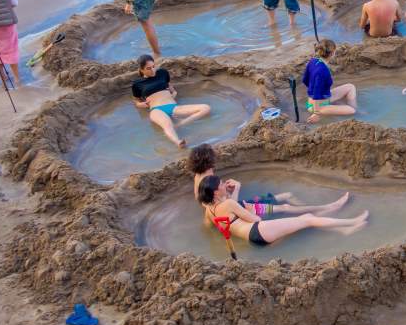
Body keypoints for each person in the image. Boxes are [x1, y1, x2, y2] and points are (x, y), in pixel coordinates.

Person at [198, 174, 368, 247]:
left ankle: (344, 229)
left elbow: (209, 227)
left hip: (253, 239)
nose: (223, 184)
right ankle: (352, 221)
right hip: (257, 231)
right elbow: (256, 220)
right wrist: (249, 209)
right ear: (215, 192)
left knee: (303, 224)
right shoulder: (228, 205)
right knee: (307, 218)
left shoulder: (210, 210)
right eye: (220, 184)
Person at [189, 143, 352, 215]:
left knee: (285, 196)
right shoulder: (209, 176)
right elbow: (230, 205)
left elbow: (207, 202)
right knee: (285, 206)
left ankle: (316, 209)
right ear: (208, 160)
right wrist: (235, 189)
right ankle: (326, 209)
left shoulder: (199, 176)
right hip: (245, 209)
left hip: (240, 206)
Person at [131, 54, 210, 147]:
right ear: (141, 69)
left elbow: (169, 85)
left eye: (153, 66)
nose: (153, 70)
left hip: (173, 107)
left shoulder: (162, 73)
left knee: (206, 108)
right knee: (167, 125)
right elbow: (136, 100)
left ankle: (181, 123)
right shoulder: (137, 84)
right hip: (156, 110)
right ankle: (178, 142)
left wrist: (174, 93)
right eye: (148, 68)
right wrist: (140, 105)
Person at [302, 38, 357, 123]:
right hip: (318, 107)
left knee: (350, 87)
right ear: (332, 53)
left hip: (315, 100)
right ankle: (354, 110)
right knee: (352, 111)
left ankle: (341, 106)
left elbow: (305, 80)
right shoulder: (322, 70)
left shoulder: (313, 61)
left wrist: (312, 91)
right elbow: (317, 93)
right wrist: (317, 113)